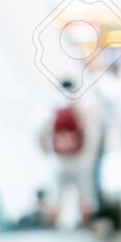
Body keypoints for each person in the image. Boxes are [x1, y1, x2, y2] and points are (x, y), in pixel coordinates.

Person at [40, 79, 98, 227]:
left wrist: (46, 151)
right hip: (79, 158)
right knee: (85, 195)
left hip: (59, 159)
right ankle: (86, 224)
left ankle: (51, 225)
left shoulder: (52, 106)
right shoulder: (81, 106)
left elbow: (42, 131)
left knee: (56, 195)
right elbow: (90, 133)